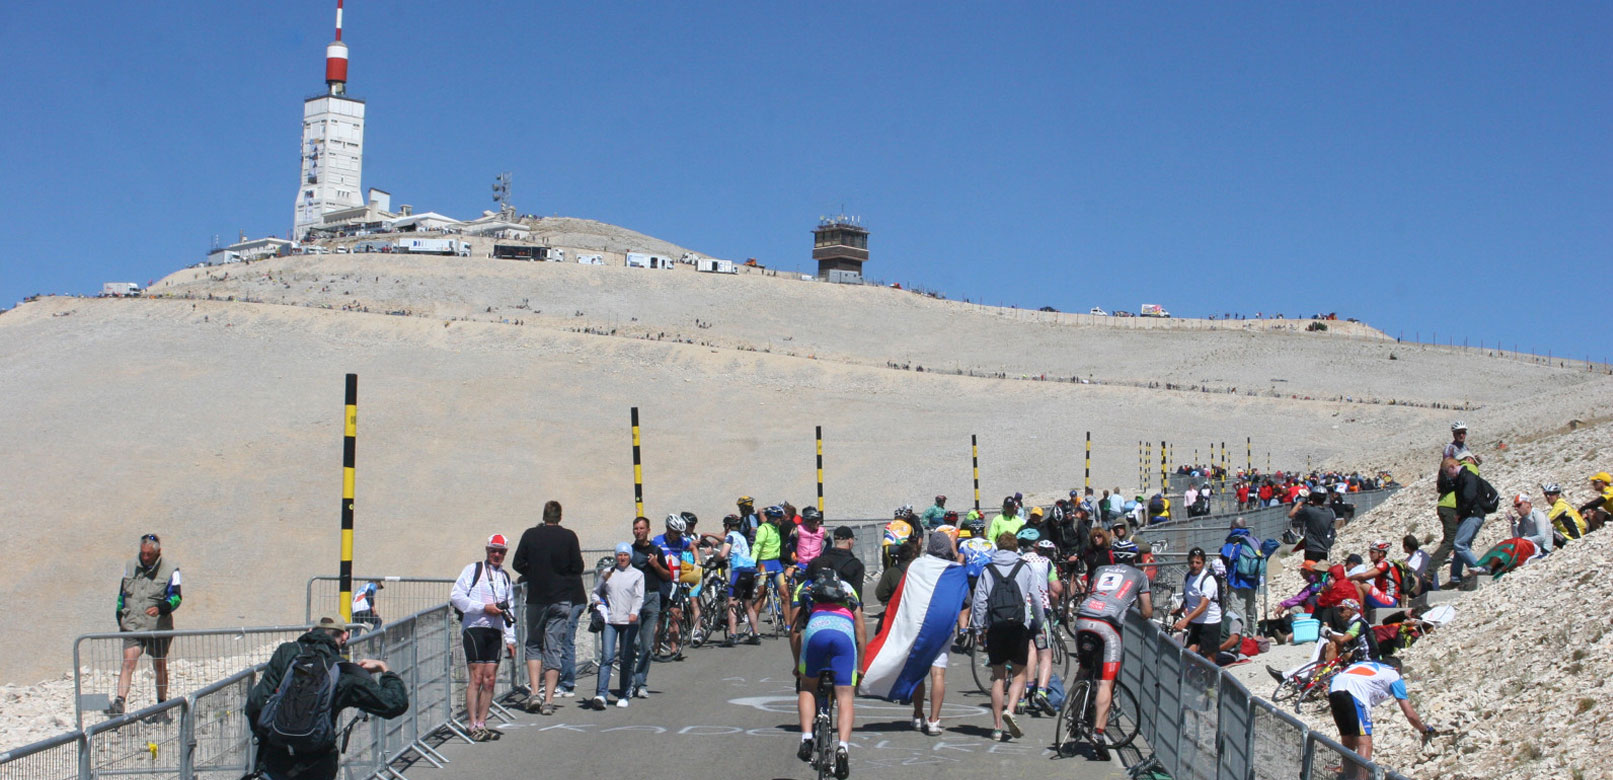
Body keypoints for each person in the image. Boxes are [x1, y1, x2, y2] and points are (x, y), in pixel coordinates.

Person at [246, 615, 409, 780]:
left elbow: (256, 702)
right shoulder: (343, 671)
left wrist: (269, 737)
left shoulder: (287, 653)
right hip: (317, 766)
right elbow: (395, 703)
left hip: (276, 760)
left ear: (310, 631)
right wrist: (384, 669)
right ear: (344, 637)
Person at [969, 531, 1045, 743]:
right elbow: (1036, 599)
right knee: (1020, 673)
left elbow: (980, 601)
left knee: (998, 676)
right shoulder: (1024, 567)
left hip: (996, 626)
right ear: (1015, 548)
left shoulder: (988, 570)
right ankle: (1010, 709)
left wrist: (978, 628)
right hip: (1018, 625)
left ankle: (996, 727)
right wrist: (1039, 623)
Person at [511, 500, 585, 715]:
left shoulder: (530, 535)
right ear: (560, 517)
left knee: (534, 644)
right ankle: (549, 700)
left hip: (536, 597)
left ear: (544, 516)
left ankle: (534, 692)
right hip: (560, 598)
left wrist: (533, 571)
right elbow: (578, 567)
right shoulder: (569, 536)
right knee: (554, 647)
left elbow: (517, 563)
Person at [1072, 560, 1153, 755]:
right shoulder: (1139, 575)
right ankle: (1098, 733)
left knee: (1084, 669)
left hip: (1083, 619)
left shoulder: (1100, 568)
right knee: (1105, 683)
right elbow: (1146, 611)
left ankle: (1074, 719)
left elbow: (1091, 593)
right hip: (1107, 626)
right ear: (1135, 559)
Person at [792, 568, 866, 779]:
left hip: (817, 631)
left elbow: (795, 629)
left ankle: (807, 737)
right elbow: (860, 632)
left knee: (807, 687)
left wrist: (798, 665)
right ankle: (843, 747)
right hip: (844, 635)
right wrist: (859, 667)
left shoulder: (807, 589)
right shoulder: (848, 589)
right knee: (845, 698)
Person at [449, 534, 516, 741]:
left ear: (505, 553)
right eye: (493, 550)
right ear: (487, 550)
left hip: (495, 630)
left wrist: (511, 639)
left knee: (490, 679)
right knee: (476, 678)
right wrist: (483, 608)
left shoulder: (504, 577)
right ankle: (471, 724)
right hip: (475, 627)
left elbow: (510, 608)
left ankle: (482, 722)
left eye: (500, 551)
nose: (496, 554)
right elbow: (456, 597)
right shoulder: (473, 570)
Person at [111, 533, 181, 716]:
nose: (145, 557)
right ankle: (119, 702)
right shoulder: (130, 566)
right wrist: (120, 615)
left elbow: (176, 597)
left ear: (158, 553)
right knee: (128, 662)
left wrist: (162, 607)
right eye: (143, 553)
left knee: (159, 664)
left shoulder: (172, 570)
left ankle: (161, 705)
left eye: (149, 554)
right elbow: (122, 594)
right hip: (133, 625)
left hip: (158, 628)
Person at [1327, 660, 1435, 774]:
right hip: (1354, 692)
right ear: (1397, 669)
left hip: (1334, 688)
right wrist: (1424, 729)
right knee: (1365, 743)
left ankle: (1347, 775)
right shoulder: (1393, 674)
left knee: (1348, 739)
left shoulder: (1367, 664)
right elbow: (1410, 714)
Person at [907, 531, 959, 736]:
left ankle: (918, 714)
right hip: (943, 625)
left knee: (919, 672)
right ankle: (934, 720)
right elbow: (964, 599)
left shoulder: (916, 566)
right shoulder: (954, 570)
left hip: (920, 623)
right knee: (938, 673)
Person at [590, 543, 644, 710]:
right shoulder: (608, 573)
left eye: (625, 555)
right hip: (610, 621)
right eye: (619, 555)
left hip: (629, 622)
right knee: (607, 657)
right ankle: (601, 694)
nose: (622, 558)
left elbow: (639, 597)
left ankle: (624, 693)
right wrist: (597, 602)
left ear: (630, 556)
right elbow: (595, 591)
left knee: (626, 659)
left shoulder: (637, 574)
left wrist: (634, 612)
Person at [628, 516, 671, 697]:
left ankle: (641, 683)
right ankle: (628, 683)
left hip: (652, 597)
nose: (639, 531)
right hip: (633, 600)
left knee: (646, 645)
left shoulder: (656, 551)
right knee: (632, 643)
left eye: (642, 528)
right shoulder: (629, 552)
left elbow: (666, 575)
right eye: (636, 528)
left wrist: (655, 564)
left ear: (648, 530)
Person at [653, 514, 696, 651]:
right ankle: (656, 648)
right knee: (659, 619)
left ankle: (674, 648)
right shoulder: (656, 541)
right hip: (661, 584)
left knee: (675, 616)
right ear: (668, 529)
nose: (678, 536)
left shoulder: (682, 541)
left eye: (679, 533)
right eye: (675, 533)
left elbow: (693, 547)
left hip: (676, 584)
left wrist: (697, 563)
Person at [718, 513, 760, 647]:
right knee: (748, 605)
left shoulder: (730, 537)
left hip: (739, 570)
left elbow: (723, 554)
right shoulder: (742, 537)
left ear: (727, 526)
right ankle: (755, 634)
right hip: (751, 570)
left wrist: (714, 560)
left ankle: (732, 636)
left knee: (732, 603)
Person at [1446, 455, 1488, 583]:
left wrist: (1459, 513)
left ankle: (1480, 569)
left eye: (1448, 472)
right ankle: (1455, 576)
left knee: (1460, 544)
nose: (1448, 476)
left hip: (1473, 514)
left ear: (1453, 467)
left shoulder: (1467, 475)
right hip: (1471, 514)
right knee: (1462, 544)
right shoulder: (1463, 476)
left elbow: (1468, 497)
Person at [1172, 548, 1222, 657]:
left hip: (1210, 622)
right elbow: (1188, 597)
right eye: (1192, 562)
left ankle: (1211, 674)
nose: (1194, 565)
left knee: (1209, 657)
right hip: (1195, 622)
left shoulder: (1208, 580)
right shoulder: (1188, 576)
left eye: (1198, 563)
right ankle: (1193, 674)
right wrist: (1180, 609)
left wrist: (1185, 620)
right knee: (1188, 655)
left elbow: (1203, 606)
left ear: (1203, 563)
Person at [807, 526, 868, 604]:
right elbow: (856, 595)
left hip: (819, 606)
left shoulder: (818, 561)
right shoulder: (856, 565)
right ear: (850, 541)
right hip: (843, 609)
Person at [1218, 518, 1261, 627]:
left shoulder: (1232, 541)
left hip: (1236, 581)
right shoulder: (1252, 540)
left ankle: (1243, 637)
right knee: (1251, 609)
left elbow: (1227, 557)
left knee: (1238, 609)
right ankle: (1253, 635)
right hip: (1252, 580)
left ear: (1232, 527)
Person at [754, 505, 792, 630]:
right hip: (764, 564)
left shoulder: (777, 528)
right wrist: (751, 563)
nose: (781, 520)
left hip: (776, 564)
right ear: (772, 518)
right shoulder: (763, 529)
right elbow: (757, 546)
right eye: (779, 518)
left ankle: (788, 625)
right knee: (761, 595)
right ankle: (752, 627)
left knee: (785, 594)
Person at [1289, 488, 1337, 563]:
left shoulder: (1309, 510)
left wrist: (1301, 501)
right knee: (1321, 571)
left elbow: (1291, 514)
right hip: (1324, 548)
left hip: (1311, 547)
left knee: (1310, 571)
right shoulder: (1330, 512)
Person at [1472, 537, 1538, 579]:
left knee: (1514, 543)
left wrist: (1525, 538)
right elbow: (1517, 534)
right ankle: (1488, 566)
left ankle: (1489, 567)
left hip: (1531, 545)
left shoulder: (1538, 516)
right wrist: (1514, 524)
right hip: (1521, 542)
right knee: (1506, 545)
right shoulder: (1523, 520)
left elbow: (1541, 537)